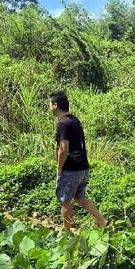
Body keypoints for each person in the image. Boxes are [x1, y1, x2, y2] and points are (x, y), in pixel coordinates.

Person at [49, 91, 108, 230]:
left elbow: (63, 148)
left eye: (49, 104)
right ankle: (102, 221)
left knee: (64, 201)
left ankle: (67, 233)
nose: (48, 107)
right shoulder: (74, 120)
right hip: (83, 167)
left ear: (55, 105)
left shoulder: (63, 124)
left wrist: (59, 168)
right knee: (79, 198)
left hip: (70, 170)